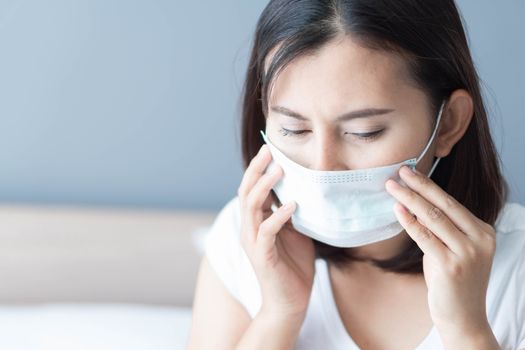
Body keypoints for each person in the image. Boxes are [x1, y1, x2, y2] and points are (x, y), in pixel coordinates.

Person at [186, 1, 525, 349]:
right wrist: (279, 313)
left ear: (448, 124)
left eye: (364, 132)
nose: (322, 165)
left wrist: (466, 331)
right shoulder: (239, 241)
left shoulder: (517, 268)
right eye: (294, 129)